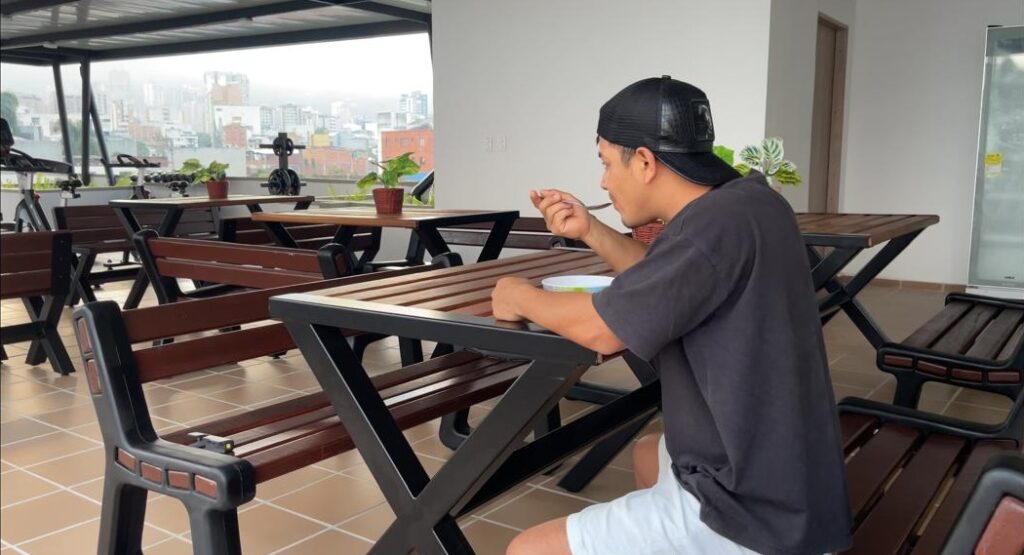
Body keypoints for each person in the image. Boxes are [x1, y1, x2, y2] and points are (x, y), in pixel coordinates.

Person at [492, 76, 852, 555]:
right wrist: (592, 229)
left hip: (753, 508)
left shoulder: (711, 227)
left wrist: (516, 294)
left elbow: (599, 331)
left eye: (604, 162)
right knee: (648, 455)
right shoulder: (751, 202)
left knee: (527, 551)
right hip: (791, 474)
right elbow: (669, 282)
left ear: (643, 162)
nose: (601, 180)